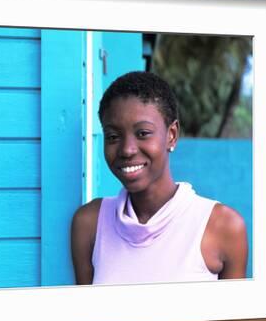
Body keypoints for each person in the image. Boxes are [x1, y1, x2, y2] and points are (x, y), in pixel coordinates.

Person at [71, 71, 248, 285]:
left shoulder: (223, 226)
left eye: (143, 133)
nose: (127, 149)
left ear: (171, 135)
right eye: (113, 137)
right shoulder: (89, 224)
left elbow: (234, 319)